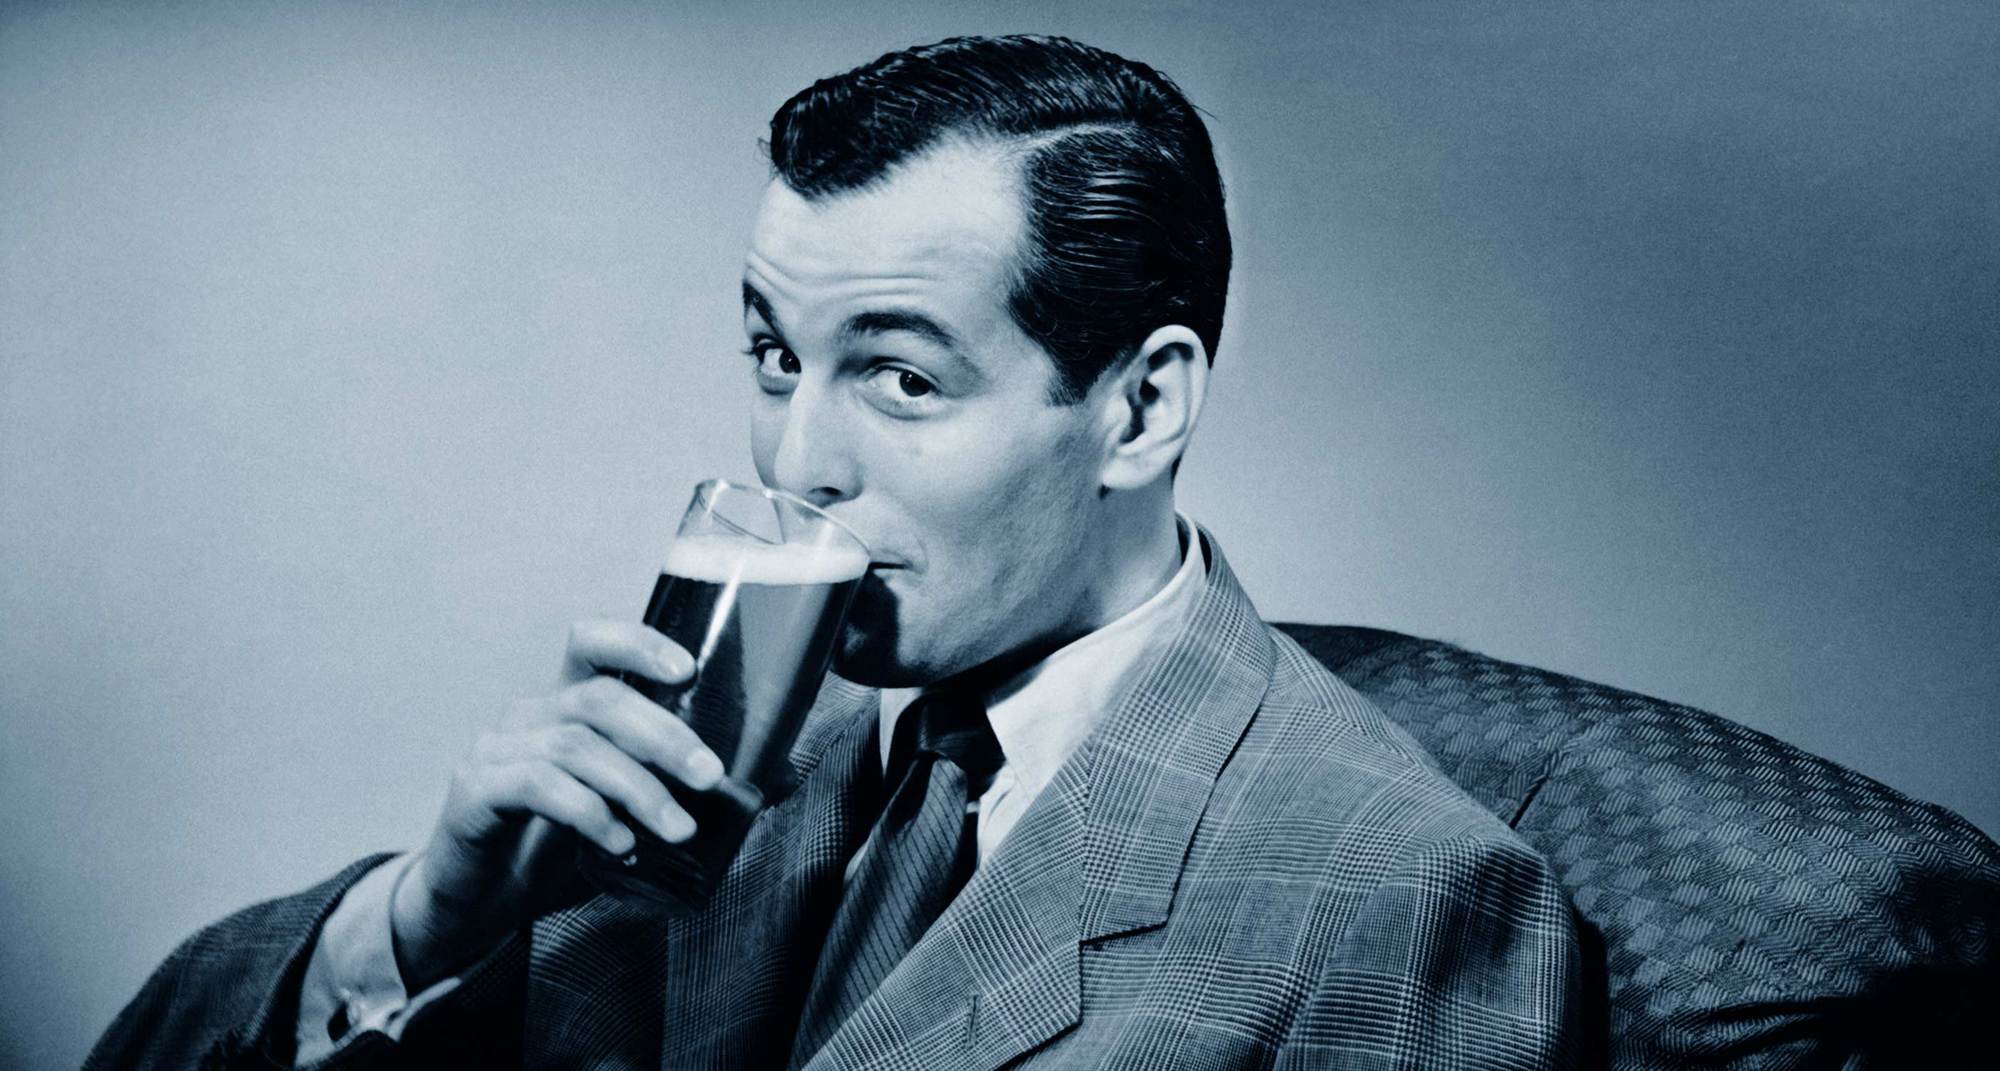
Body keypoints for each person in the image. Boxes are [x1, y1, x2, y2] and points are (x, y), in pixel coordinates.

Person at [88, 34, 1581, 1070]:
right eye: (774, 357)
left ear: (1140, 409)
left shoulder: (1399, 898)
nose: (797, 463)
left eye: (902, 377)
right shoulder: (714, 754)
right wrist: (425, 922)